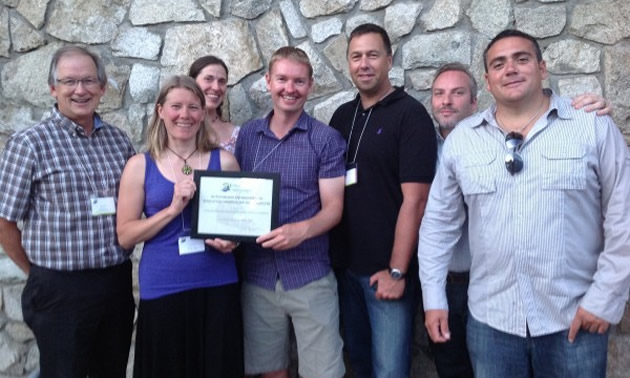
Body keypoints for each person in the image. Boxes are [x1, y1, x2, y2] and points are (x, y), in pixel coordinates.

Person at [419, 29, 630, 378]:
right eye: (499, 64)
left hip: (573, 318)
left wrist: (605, 299)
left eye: (521, 58)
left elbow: (623, 216)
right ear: (487, 81)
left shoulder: (591, 127)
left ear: (542, 68)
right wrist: (434, 298)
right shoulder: (463, 142)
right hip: (491, 322)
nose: (510, 69)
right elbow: (438, 225)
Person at [0, 46, 135, 377]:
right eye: (69, 81)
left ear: (102, 88)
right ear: (52, 88)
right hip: (58, 288)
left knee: (112, 371)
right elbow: (4, 220)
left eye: (89, 80)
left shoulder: (119, 141)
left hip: (114, 282)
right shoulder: (29, 143)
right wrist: (37, 274)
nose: (80, 90)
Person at [328, 23, 437, 377]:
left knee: (389, 371)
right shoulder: (342, 116)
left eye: (373, 55)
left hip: (387, 275)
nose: (364, 64)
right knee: (357, 364)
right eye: (356, 56)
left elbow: (416, 201)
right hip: (346, 271)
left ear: (389, 60)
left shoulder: (411, 115)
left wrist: (396, 270)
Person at [116, 76, 242, 378]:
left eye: (193, 107)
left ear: (203, 112)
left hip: (218, 284)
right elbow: (125, 236)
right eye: (176, 106)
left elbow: (238, 224)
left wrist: (233, 242)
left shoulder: (224, 161)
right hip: (163, 286)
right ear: (161, 111)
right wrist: (172, 210)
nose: (184, 115)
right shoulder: (139, 165)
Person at [234, 46, 346, 378]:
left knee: (323, 372)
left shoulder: (325, 139)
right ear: (268, 81)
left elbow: (334, 209)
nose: (289, 88)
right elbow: (236, 200)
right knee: (270, 370)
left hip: (309, 274)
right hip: (258, 276)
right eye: (282, 79)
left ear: (310, 85)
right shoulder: (248, 137)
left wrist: (302, 230)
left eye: (298, 81)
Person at [189, 55, 240, 153]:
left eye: (221, 81)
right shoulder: (179, 128)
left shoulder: (236, 135)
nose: (216, 87)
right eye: (208, 79)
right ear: (193, 83)